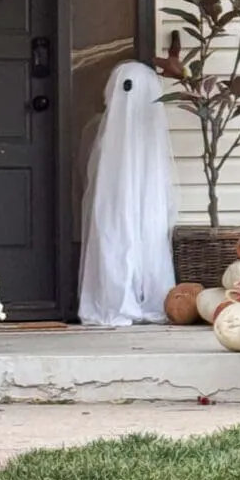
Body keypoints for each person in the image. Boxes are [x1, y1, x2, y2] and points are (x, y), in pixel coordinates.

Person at [78, 60, 177, 327]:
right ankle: (119, 298)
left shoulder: (130, 138)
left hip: (131, 192)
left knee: (125, 231)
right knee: (117, 232)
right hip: (119, 192)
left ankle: (131, 298)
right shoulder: (107, 136)